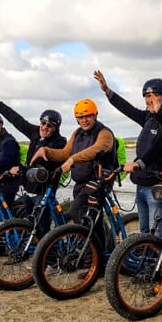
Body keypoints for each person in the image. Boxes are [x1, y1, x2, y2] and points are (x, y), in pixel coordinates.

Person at [94, 71, 162, 236]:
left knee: (157, 234)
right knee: (144, 233)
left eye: (155, 95)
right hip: (142, 184)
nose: (150, 99)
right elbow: (128, 109)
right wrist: (108, 91)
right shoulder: (149, 118)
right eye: (147, 96)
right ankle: (149, 261)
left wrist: (138, 163)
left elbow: (160, 146)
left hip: (157, 186)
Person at [0, 83, 67, 234]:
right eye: (43, 123)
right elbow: (17, 120)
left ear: (56, 128)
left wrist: (20, 168)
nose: (45, 127)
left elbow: (43, 166)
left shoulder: (59, 142)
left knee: (42, 226)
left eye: (50, 125)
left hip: (44, 190)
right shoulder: (35, 133)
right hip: (28, 188)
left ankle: (47, 254)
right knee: (30, 222)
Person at [30, 98, 116, 245]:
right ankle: (101, 250)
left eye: (87, 116)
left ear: (95, 115)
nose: (84, 120)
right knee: (93, 220)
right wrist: (46, 150)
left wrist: (73, 159)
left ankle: (95, 252)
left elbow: (96, 149)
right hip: (81, 182)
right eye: (80, 117)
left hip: (99, 182)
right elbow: (65, 153)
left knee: (77, 211)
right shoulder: (77, 133)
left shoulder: (105, 133)